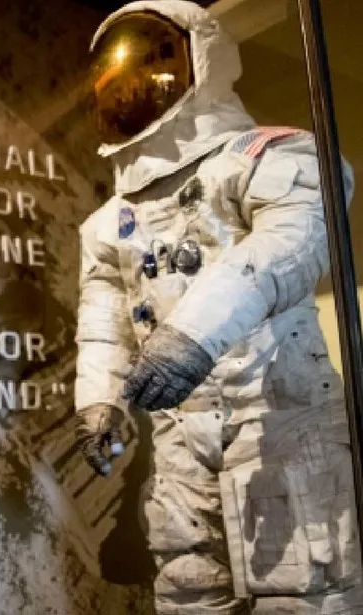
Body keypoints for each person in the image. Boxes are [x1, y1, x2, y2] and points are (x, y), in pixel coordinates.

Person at [73, 2, 361, 613]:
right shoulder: (110, 224)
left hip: (282, 415)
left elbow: (286, 244)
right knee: (189, 588)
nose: (133, 90)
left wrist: (190, 338)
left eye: (151, 67)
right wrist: (100, 402)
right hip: (182, 431)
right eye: (117, 81)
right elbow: (103, 324)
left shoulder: (269, 157)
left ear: (200, 60)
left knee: (304, 592)